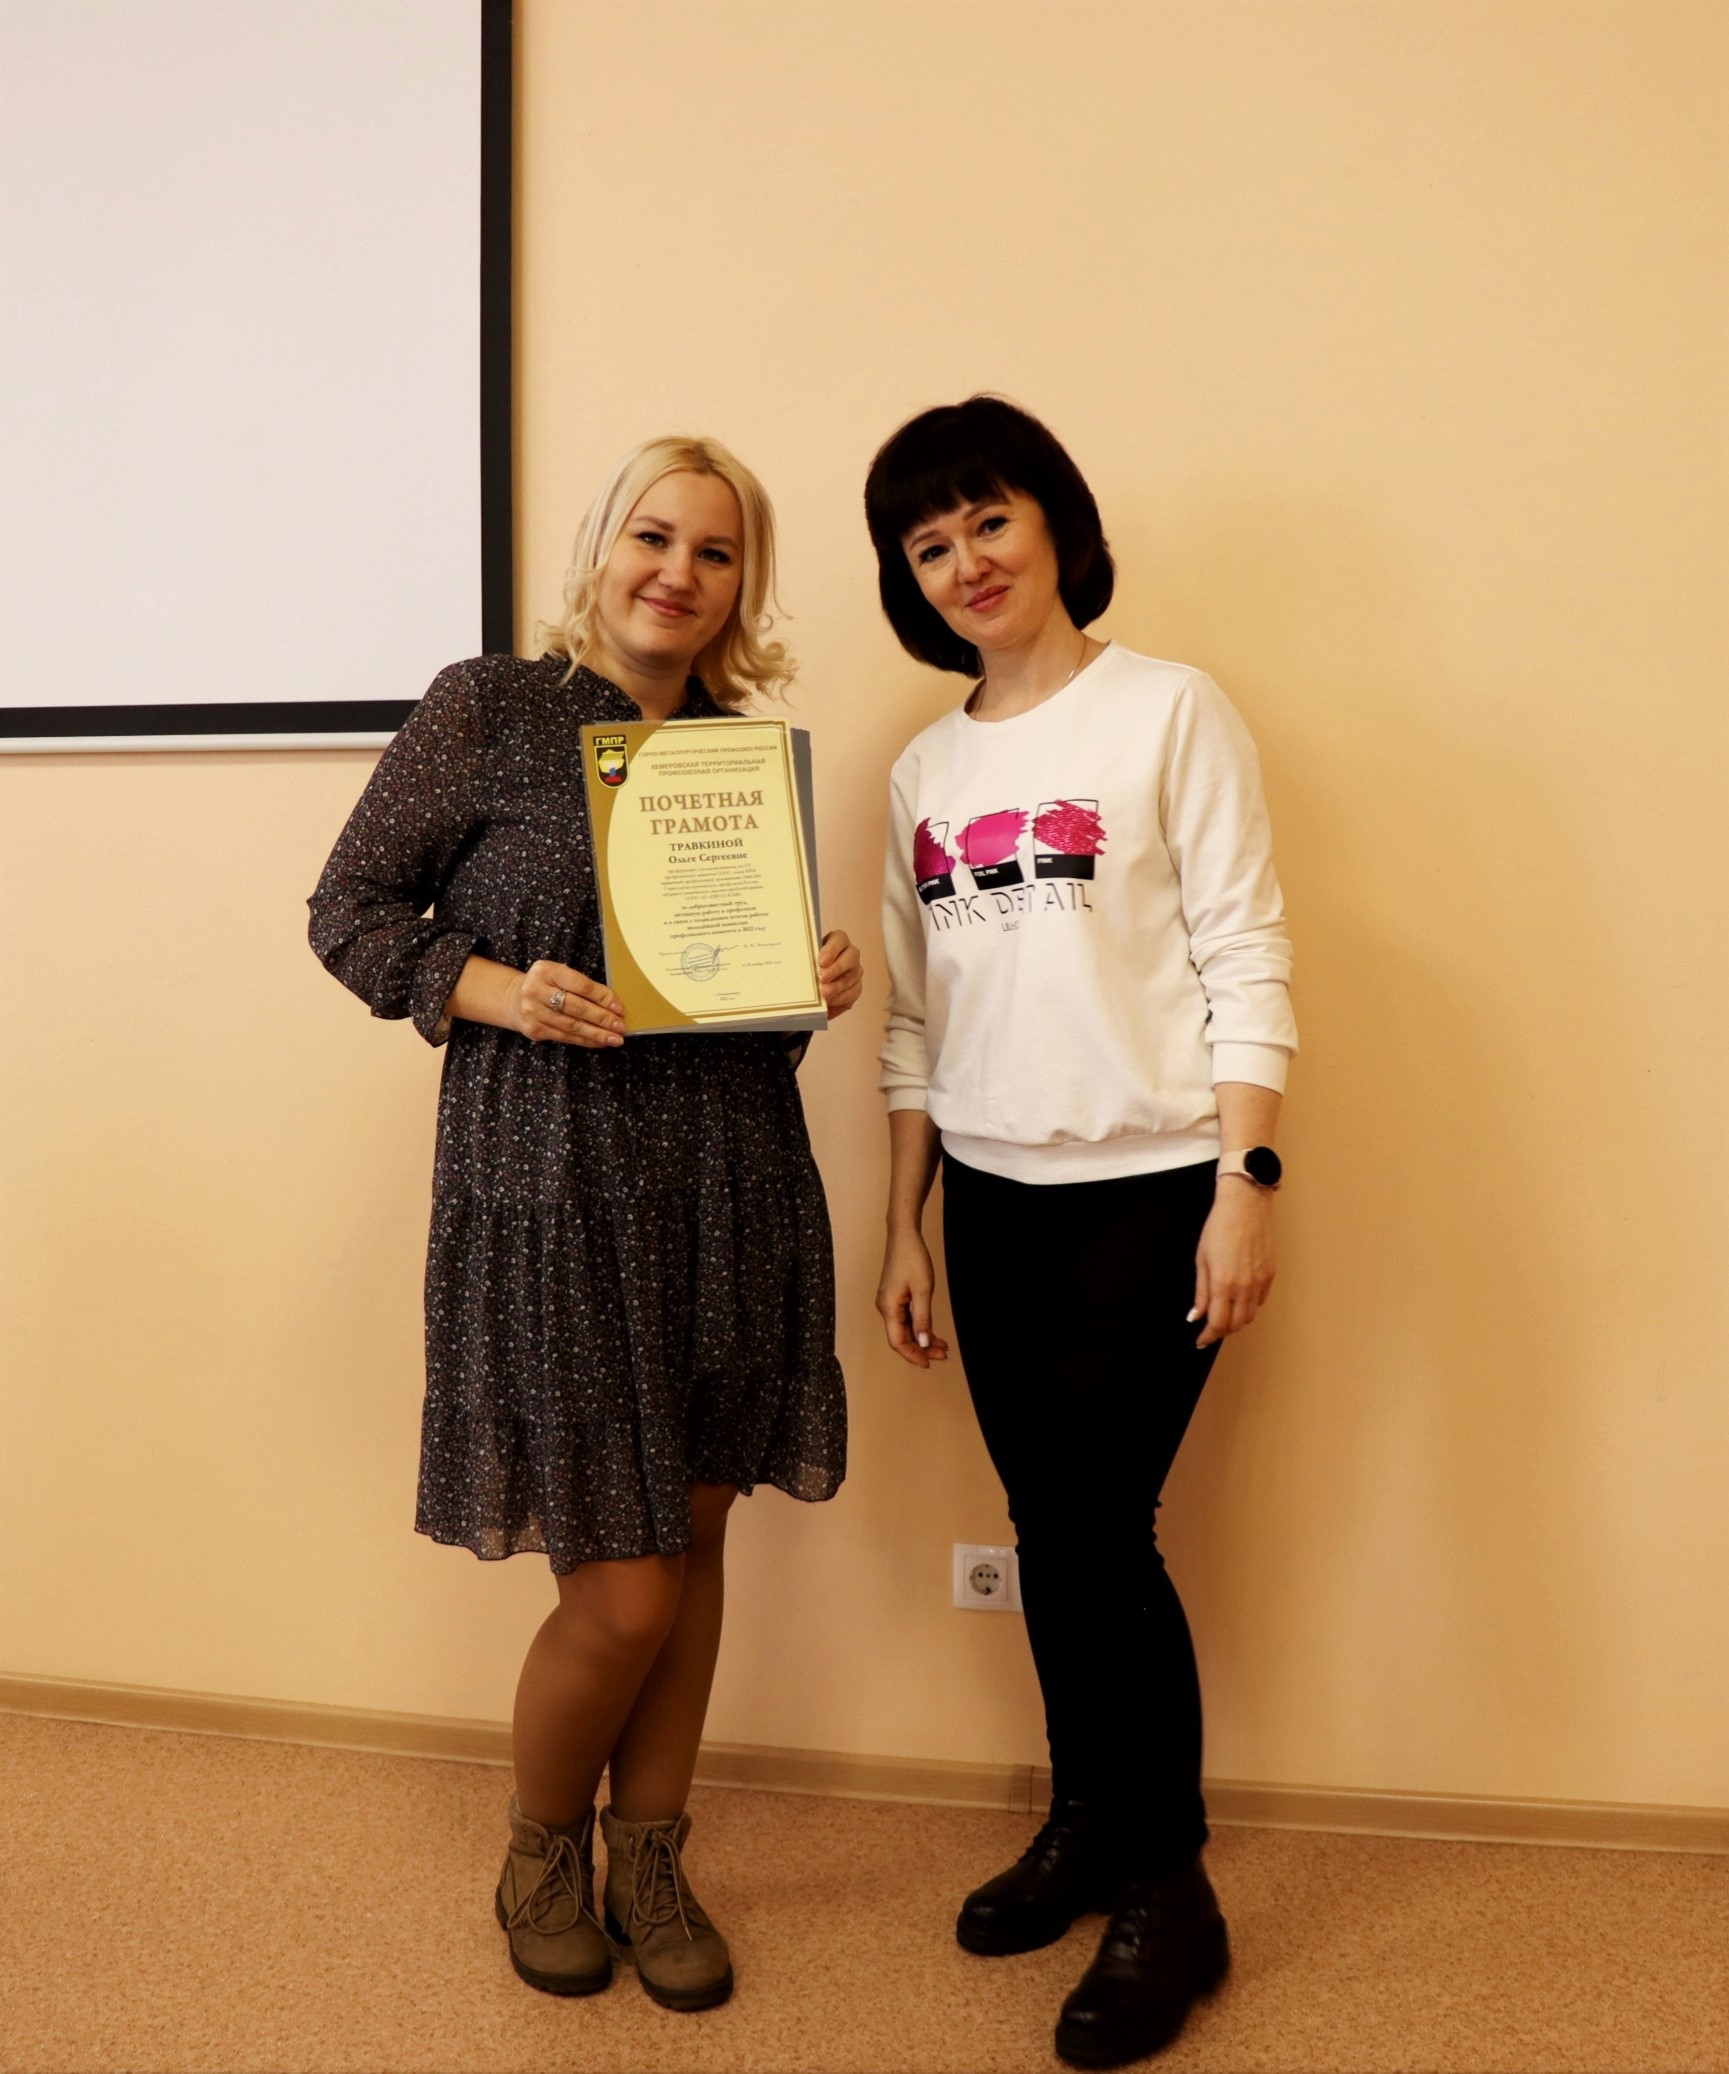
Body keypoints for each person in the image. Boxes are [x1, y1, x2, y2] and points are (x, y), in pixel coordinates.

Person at [309, 435, 860, 2014]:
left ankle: (652, 1857)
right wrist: (495, 986)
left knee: (693, 1538)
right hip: (549, 1189)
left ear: (743, 583)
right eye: (653, 536)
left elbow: (726, 1008)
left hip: (726, 1184)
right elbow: (347, 913)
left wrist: (805, 984)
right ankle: (543, 1847)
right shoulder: (486, 708)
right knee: (621, 1588)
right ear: (601, 548)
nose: (677, 573)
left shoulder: (739, 757)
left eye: (715, 551)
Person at [867, 396, 1295, 2070]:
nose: (965, 561)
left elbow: (1245, 952)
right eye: (928, 544)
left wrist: (1244, 1184)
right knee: (1049, 1529)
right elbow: (912, 1020)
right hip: (988, 1197)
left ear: (1053, 523)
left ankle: (1168, 1887)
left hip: (1155, 1183)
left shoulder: (1169, 709)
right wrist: (904, 1226)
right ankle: (1085, 1819)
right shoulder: (923, 768)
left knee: (1100, 1530)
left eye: (989, 520)